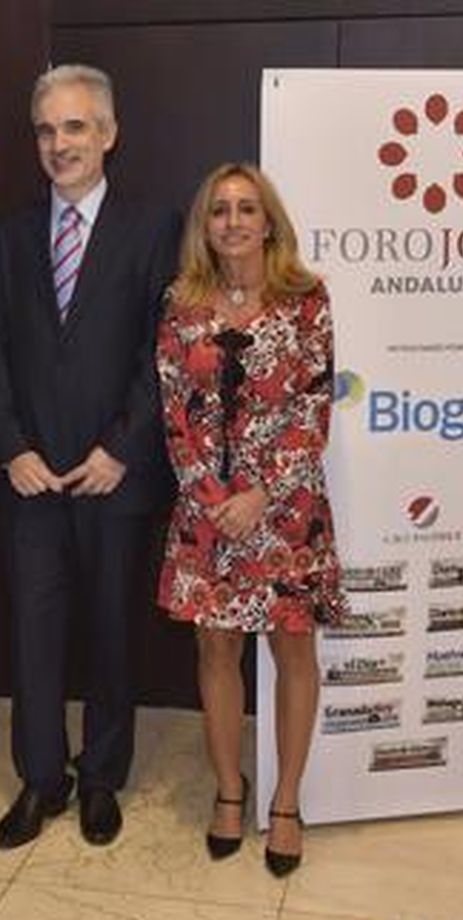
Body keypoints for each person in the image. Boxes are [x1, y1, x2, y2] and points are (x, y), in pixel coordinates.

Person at [0, 64, 180, 850]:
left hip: (112, 478)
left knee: (109, 631)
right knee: (32, 633)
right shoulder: (6, 238)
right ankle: (40, 780)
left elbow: (161, 351)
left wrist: (121, 449)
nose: (59, 144)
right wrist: (12, 449)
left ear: (108, 134)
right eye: (46, 130)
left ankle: (101, 778)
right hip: (29, 481)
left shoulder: (154, 229)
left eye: (74, 127)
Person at [156, 163, 348, 877]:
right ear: (204, 226)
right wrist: (211, 496)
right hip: (206, 514)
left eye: (246, 209)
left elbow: (313, 406)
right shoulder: (181, 303)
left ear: (269, 222)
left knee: (292, 653)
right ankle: (230, 793)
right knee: (215, 652)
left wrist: (262, 494)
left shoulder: (306, 299)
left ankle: (288, 803)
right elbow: (173, 411)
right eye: (219, 210)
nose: (233, 221)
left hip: (287, 512)